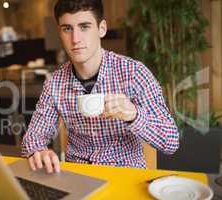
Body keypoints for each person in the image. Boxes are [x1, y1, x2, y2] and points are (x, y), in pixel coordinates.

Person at [21, 0, 179, 173]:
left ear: (102, 28)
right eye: (67, 28)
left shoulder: (134, 73)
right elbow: (33, 138)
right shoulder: (55, 83)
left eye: (84, 27)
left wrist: (134, 115)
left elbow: (171, 142)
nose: (75, 39)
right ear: (60, 32)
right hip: (80, 176)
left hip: (125, 174)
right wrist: (39, 151)